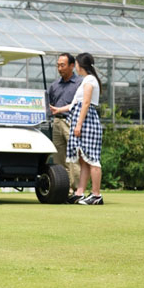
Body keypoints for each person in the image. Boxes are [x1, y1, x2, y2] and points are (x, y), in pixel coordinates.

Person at [50, 52, 103, 205]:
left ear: (78, 65)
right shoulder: (86, 80)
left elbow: (86, 103)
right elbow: (75, 104)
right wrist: (58, 110)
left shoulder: (89, 80)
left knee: (92, 159)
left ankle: (96, 194)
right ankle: (80, 192)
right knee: (83, 159)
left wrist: (78, 125)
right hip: (81, 120)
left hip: (87, 122)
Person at [48, 53, 82, 193]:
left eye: (62, 65)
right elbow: (48, 104)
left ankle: (75, 190)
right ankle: (62, 188)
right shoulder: (54, 85)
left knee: (73, 156)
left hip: (72, 122)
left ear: (72, 66)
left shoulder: (80, 84)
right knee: (59, 156)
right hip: (57, 122)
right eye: (58, 65)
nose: (59, 68)